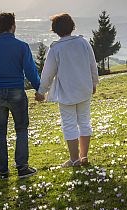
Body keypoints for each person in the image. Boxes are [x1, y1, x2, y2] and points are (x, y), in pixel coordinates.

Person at [0, 12, 41, 179]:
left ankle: (3, 171)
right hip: (16, 91)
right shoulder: (22, 46)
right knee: (21, 129)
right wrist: (39, 89)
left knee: (0, 132)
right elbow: (30, 72)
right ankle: (22, 168)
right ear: (13, 26)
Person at [35, 13, 99, 167]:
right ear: (72, 26)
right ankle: (84, 157)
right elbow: (92, 64)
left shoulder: (56, 48)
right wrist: (94, 83)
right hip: (84, 89)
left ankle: (74, 159)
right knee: (84, 121)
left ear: (55, 30)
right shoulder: (83, 42)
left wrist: (41, 91)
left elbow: (48, 73)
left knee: (69, 124)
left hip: (66, 92)